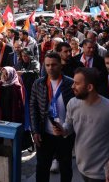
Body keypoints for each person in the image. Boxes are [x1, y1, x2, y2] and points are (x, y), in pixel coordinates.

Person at [55, 68, 109, 181]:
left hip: (104, 174)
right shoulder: (72, 104)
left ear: (90, 87)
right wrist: (63, 130)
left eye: (77, 83)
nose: (72, 86)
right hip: (82, 168)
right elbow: (69, 125)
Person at [30, 51, 76, 182]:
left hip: (65, 134)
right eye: (47, 65)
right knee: (42, 168)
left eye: (54, 65)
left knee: (66, 167)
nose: (50, 68)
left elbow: (76, 110)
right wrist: (35, 131)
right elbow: (33, 108)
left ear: (61, 65)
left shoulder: (70, 84)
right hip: (45, 134)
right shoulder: (38, 84)